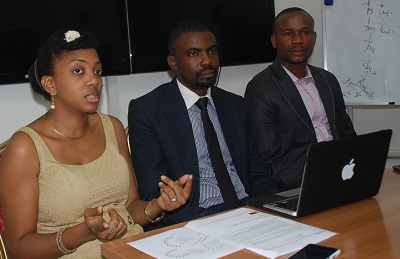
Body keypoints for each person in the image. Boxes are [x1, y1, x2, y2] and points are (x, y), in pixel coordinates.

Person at [0, 29, 192, 258]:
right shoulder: (25, 147)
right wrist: (83, 232)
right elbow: (18, 248)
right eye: (78, 71)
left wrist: (159, 205)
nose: (94, 80)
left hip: (131, 251)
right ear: (50, 85)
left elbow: (131, 208)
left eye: (97, 71)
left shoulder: (113, 128)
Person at [128, 20, 272, 230]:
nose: (207, 61)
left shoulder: (236, 105)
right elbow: (153, 193)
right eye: (194, 54)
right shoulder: (148, 111)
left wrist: (272, 207)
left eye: (212, 51)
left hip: (248, 210)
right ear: (173, 62)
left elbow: (256, 171)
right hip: (194, 219)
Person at [244, 7, 357, 192]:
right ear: (274, 40)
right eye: (288, 34)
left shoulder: (328, 80)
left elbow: (347, 135)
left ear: (314, 37)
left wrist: (356, 167)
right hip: (301, 186)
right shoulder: (261, 88)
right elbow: (268, 161)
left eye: (305, 32)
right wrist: (319, 181)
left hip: (343, 175)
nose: (298, 40)